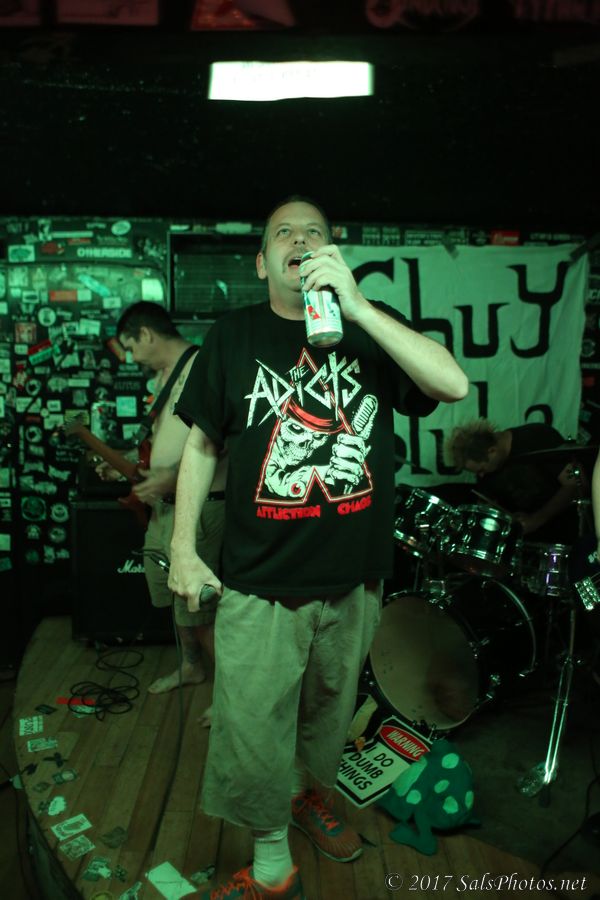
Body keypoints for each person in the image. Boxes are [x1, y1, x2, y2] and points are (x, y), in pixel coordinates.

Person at [168, 196, 469, 899]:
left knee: (329, 714)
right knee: (252, 725)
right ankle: (273, 861)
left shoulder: (368, 325)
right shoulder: (232, 336)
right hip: (260, 581)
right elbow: (202, 446)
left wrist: (358, 307)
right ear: (261, 261)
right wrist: (182, 546)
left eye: (314, 232)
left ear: (333, 252)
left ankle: (309, 796)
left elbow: (452, 383)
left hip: (354, 579)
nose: (299, 240)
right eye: (284, 232)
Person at [97, 301, 227, 714]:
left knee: (200, 609)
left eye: (131, 347)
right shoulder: (164, 375)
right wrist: (129, 465)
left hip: (200, 506)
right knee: (174, 597)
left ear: (146, 334)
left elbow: (229, 438)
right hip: (164, 509)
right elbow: (164, 442)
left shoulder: (204, 365)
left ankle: (230, 698)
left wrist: (174, 476)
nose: (131, 358)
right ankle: (192, 667)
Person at [446, 418, 587, 543]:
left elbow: (574, 484)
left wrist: (536, 520)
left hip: (565, 531)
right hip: (525, 543)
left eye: (481, 469)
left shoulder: (537, 437)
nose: (481, 475)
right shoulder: (488, 470)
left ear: (492, 451)